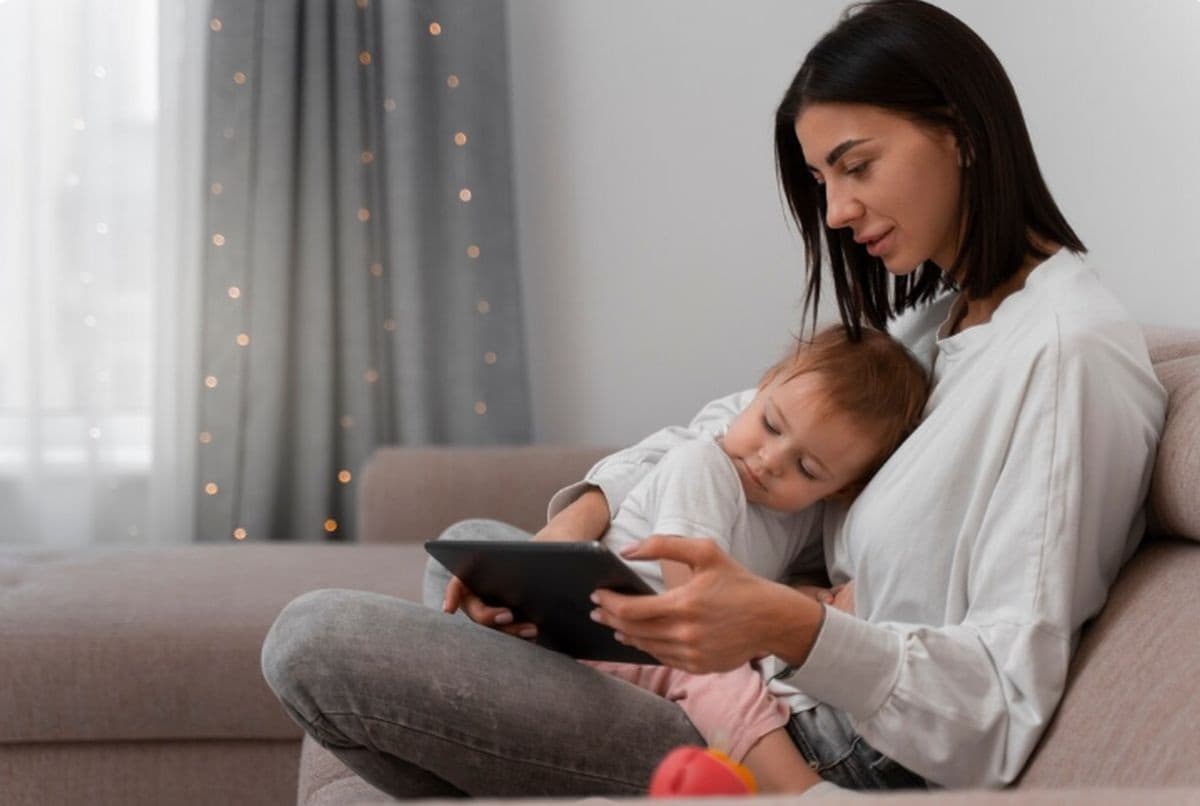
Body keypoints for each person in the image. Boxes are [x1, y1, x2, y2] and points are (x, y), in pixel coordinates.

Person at [260, 0, 1167, 796]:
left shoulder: (1066, 358)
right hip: (764, 672)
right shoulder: (932, 328)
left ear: (962, 132)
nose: (839, 214)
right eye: (823, 183)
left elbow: (1003, 705)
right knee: (483, 564)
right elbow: (719, 434)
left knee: (315, 641)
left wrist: (791, 622)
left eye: (856, 166)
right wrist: (575, 522)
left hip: (821, 748)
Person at [440, 325, 927, 794]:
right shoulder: (704, 465)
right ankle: (800, 791)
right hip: (615, 621)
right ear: (758, 390)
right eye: (770, 424)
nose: (769, 460)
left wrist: (814, 598)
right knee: (718, 672)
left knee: (718, 665)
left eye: (806, 467)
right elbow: (692, 603)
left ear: (840, 490)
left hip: (647, 640)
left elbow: (783, 583)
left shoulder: (802, 516)